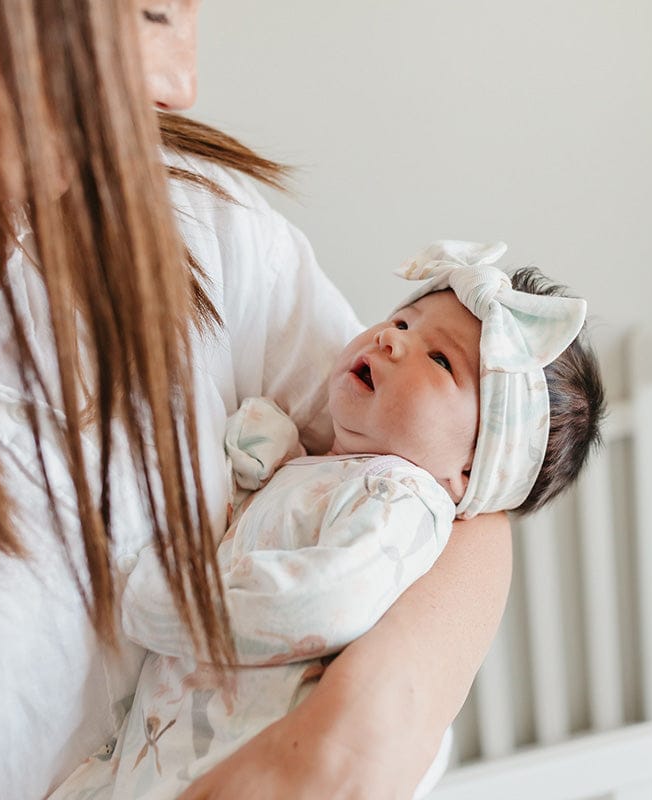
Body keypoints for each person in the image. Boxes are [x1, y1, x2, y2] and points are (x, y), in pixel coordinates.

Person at [0, 3, 512, 798]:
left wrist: (360, 732)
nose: (180, 83)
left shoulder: (191, 215)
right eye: (149, 11)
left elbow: (463, 486)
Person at [49, 242, 606, 800]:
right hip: (153, 753)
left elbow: (320, 601)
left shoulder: (404, 501)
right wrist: (267, 455)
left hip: (240, 760)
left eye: (440, 360)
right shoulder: (335, 474)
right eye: (403, 321)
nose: (391, 339)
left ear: (469, 470)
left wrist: (161, 601)